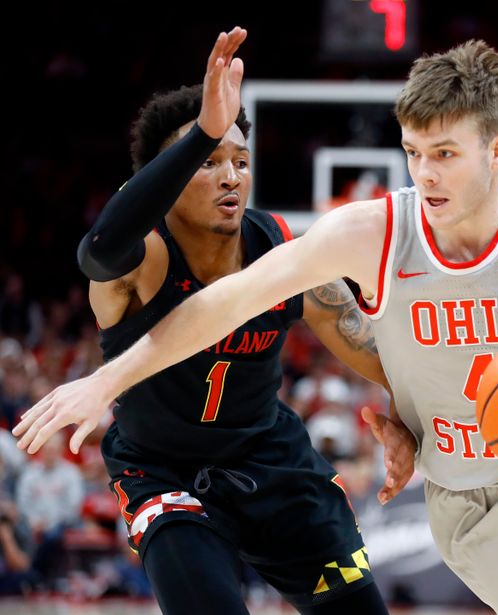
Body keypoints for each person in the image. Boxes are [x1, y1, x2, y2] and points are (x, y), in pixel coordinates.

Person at [16, 38, 498, 615]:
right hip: (461, 494)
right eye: (413, 152)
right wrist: (106, 379)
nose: (425, 174)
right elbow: (223, 302)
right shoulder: (371, 231)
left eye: (445, 154)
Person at [17, 28, 391, 615]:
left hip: (273, 463)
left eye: (240, 160)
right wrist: (206, 130)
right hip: (164, 471)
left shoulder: (285, 251)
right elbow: (98, 249)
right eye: (209, 160)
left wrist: (428, 414)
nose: (231, 176)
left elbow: (375, 354)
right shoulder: (142, 260)